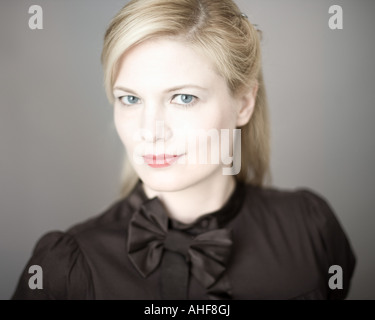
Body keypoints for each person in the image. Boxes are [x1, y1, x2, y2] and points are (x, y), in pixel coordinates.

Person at [11, 0, 356, 300]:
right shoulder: (64, 269)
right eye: (130, 99)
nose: (150, 131)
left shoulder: (311, 229)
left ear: (244, 104)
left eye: (183, 97)